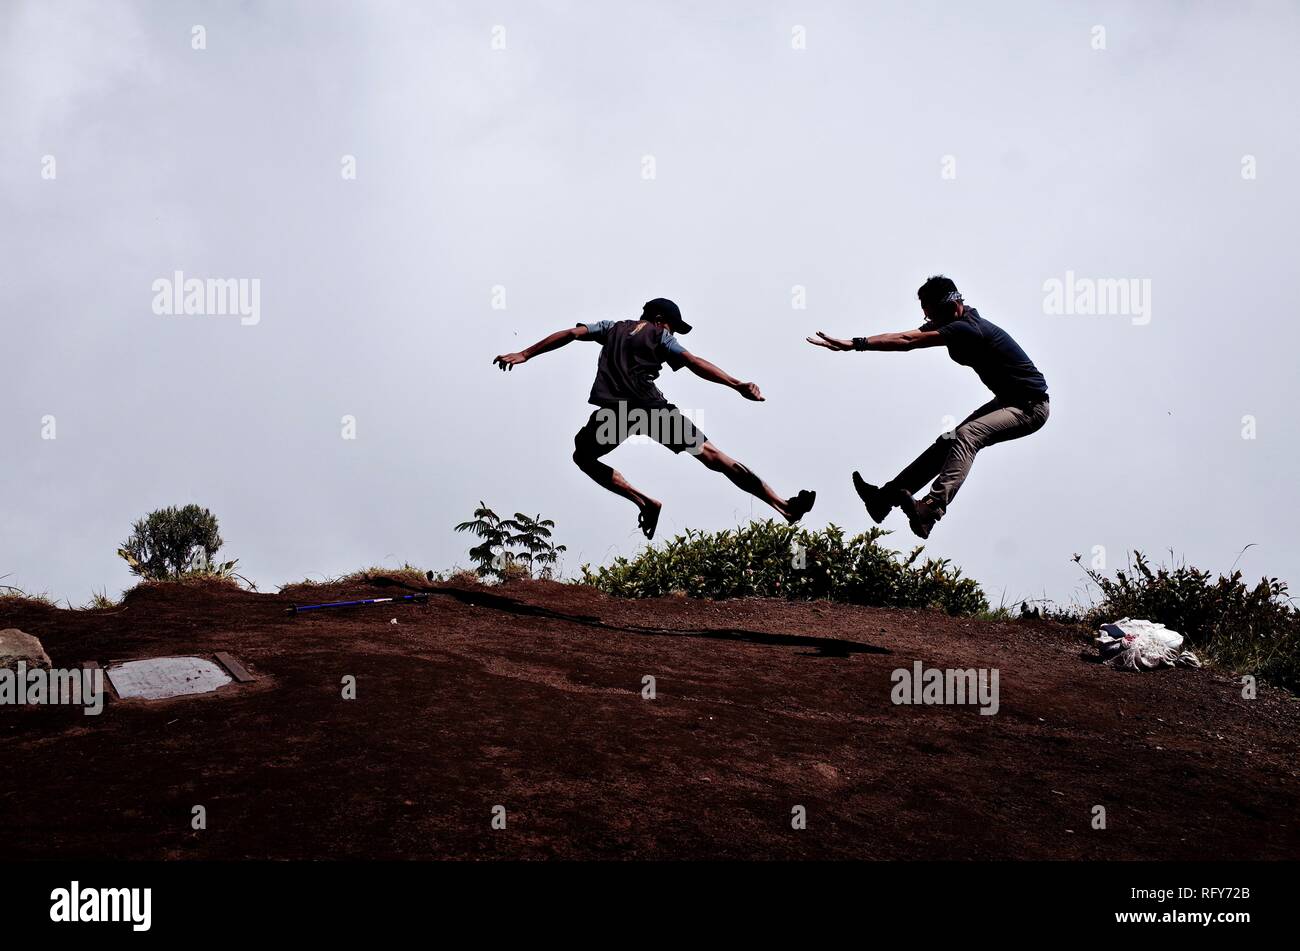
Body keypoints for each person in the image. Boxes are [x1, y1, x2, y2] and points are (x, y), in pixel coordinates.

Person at [494, 298, 816, 539]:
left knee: (583, 455)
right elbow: (692, 361)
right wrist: (736, 384)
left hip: (616, 415)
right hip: (651, 411)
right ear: (660, 319)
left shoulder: (610, 327)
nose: (673, 333)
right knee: (713, 456)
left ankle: (644, 501)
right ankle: (782, 504)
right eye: (673, 326)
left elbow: (570, 333)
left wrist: (524, 354)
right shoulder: (659, 335)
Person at [806, 275, 1049, 539]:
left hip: (1030, 407)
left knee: (968, 436)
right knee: (947, 442)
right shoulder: (950, 321)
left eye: (934, 316)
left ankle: (930, 510)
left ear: (952, 306)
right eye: (927, 318)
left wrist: (855, 345)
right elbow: (903, 335)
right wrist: (857, 342)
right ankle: (883, 500)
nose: (931, 324)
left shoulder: (967, 328)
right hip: (1008, 401)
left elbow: (907, 343)